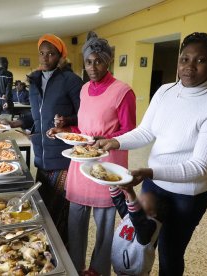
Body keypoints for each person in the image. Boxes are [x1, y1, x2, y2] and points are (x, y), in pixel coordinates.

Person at [96, 32, 207, 276]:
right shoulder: (165, 92)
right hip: (154, 185)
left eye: (200, 60)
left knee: (170, 252)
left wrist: (149, 171)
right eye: (184, 59)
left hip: (187, 196)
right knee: (143, 242)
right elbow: (147, 131)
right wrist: (114, 141)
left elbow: (200, 167)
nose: (189, 67)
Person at [48, 31, 136, 276]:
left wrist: (106, 140)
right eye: (88, 61)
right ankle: (75, 268)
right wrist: (65, 129)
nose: (93, 66)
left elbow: (129, 132)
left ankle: (98, 270)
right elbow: (84, 131)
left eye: (98, 60)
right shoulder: (85, 89)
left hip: (106, 166)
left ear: (108, 61)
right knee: (76, 223)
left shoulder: (122, 91)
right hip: (80, 164)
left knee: (105, 226)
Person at [0, 34, 83, 244]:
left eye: (51, 54)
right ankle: (46, 248)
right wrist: (14, 123)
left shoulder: (70, 81)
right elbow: (36, 117)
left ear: (60, 56)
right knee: (42, 208)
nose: (45, 58)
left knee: (57, 212)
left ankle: (62, 255)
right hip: (42, 157)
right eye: (42, 53)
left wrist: (66, 120)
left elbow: (84, 115)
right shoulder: (34, 81)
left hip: (63, 157)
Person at [109, 184, 162, 276]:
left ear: (152, 213)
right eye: (139, 198)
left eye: (143, 201)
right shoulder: (129, 216)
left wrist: (130, 192)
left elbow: (137, 218)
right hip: (120, 269)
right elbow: (119, 201)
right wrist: (112, 183)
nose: (138, 200)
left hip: (135, 272)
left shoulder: (150, 226)